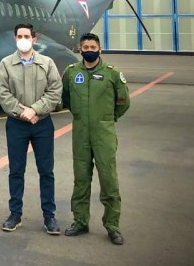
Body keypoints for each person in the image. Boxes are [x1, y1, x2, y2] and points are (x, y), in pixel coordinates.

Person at [0, 23, 63, 235]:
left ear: (34, 39)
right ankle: (15, 214)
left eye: (26, 36)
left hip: (42, 124)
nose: (23, 39)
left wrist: (35, 110)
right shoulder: (6, 64)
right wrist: (22, 112)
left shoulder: (47, 63)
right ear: (15, 39)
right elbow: (2, 92)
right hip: (17, 125)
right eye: (19, 36)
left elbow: (55, 91)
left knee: (46, 171)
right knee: (16, 171)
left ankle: (49, 216)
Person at [62, 32, 130, 245]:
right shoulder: (72, 72)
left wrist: (107, 119)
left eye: (93, 48)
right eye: (86, 48)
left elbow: (123, 102)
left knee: (109, 180)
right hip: (80, 134)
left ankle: (112, 226)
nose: (89, 51)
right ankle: (80, 221)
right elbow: (66, 98)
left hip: (104, 134)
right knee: (81, 180)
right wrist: (81, 116)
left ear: (100, 49)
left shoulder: (112, 73)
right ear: (80, 49)